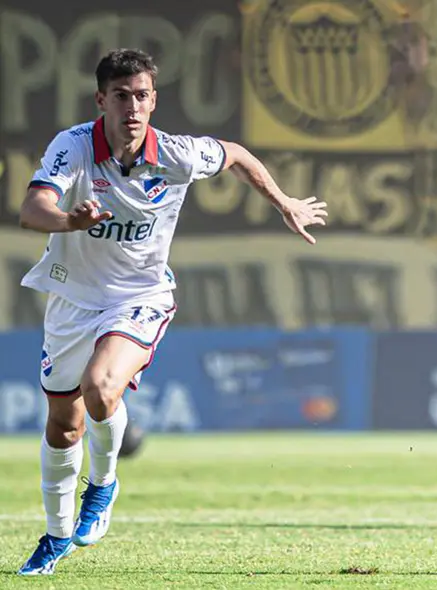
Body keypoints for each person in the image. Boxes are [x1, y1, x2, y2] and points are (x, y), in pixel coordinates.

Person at [16, 49, 327, 576]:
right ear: (101, 100)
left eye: (142, 96)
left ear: (153, 100)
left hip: (139, 296)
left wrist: (285, 203)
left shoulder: (179, 154)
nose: (132, 107)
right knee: (62, 426)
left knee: (101, 387)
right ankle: (54, 536)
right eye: (121, 96)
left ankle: (104, 484)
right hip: (72, 299)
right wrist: (70, 221)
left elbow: (237, 155)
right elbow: (31, 211)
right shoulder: (73, 147)